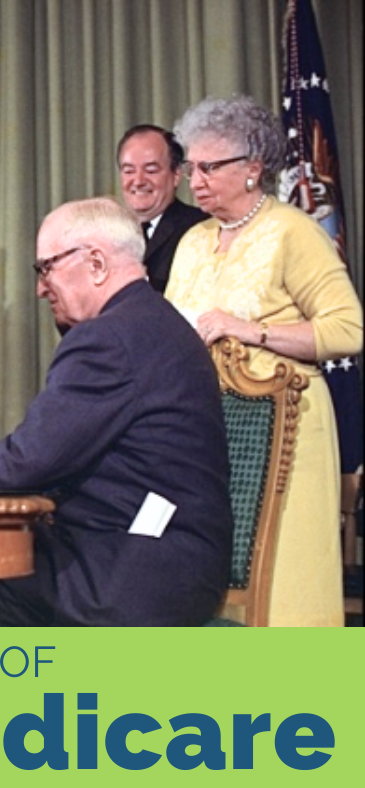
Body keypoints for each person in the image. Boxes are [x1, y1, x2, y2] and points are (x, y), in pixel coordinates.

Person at [0, 197, 233, 626]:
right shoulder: (156, 321)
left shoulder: (108, 339)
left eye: (47, 268)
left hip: (131, 572)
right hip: (174, 564)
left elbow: (26, 462)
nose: (41, 288)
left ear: (96, 264)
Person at [165, 95, 363, 627]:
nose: (194, 180)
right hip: (210, 435)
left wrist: (251, 330)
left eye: (209, 167)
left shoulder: (293, 232)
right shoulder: (192, 241)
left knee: (286, 579)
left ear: (253, 168)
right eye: (190, 167)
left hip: (288, 431)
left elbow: (348, 329)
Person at [117, 124, 208, 293]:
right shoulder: (110, 232)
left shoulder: (201, 230)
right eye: (129, 171)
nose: (138, 181)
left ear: (176, 175)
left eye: (151, 170)